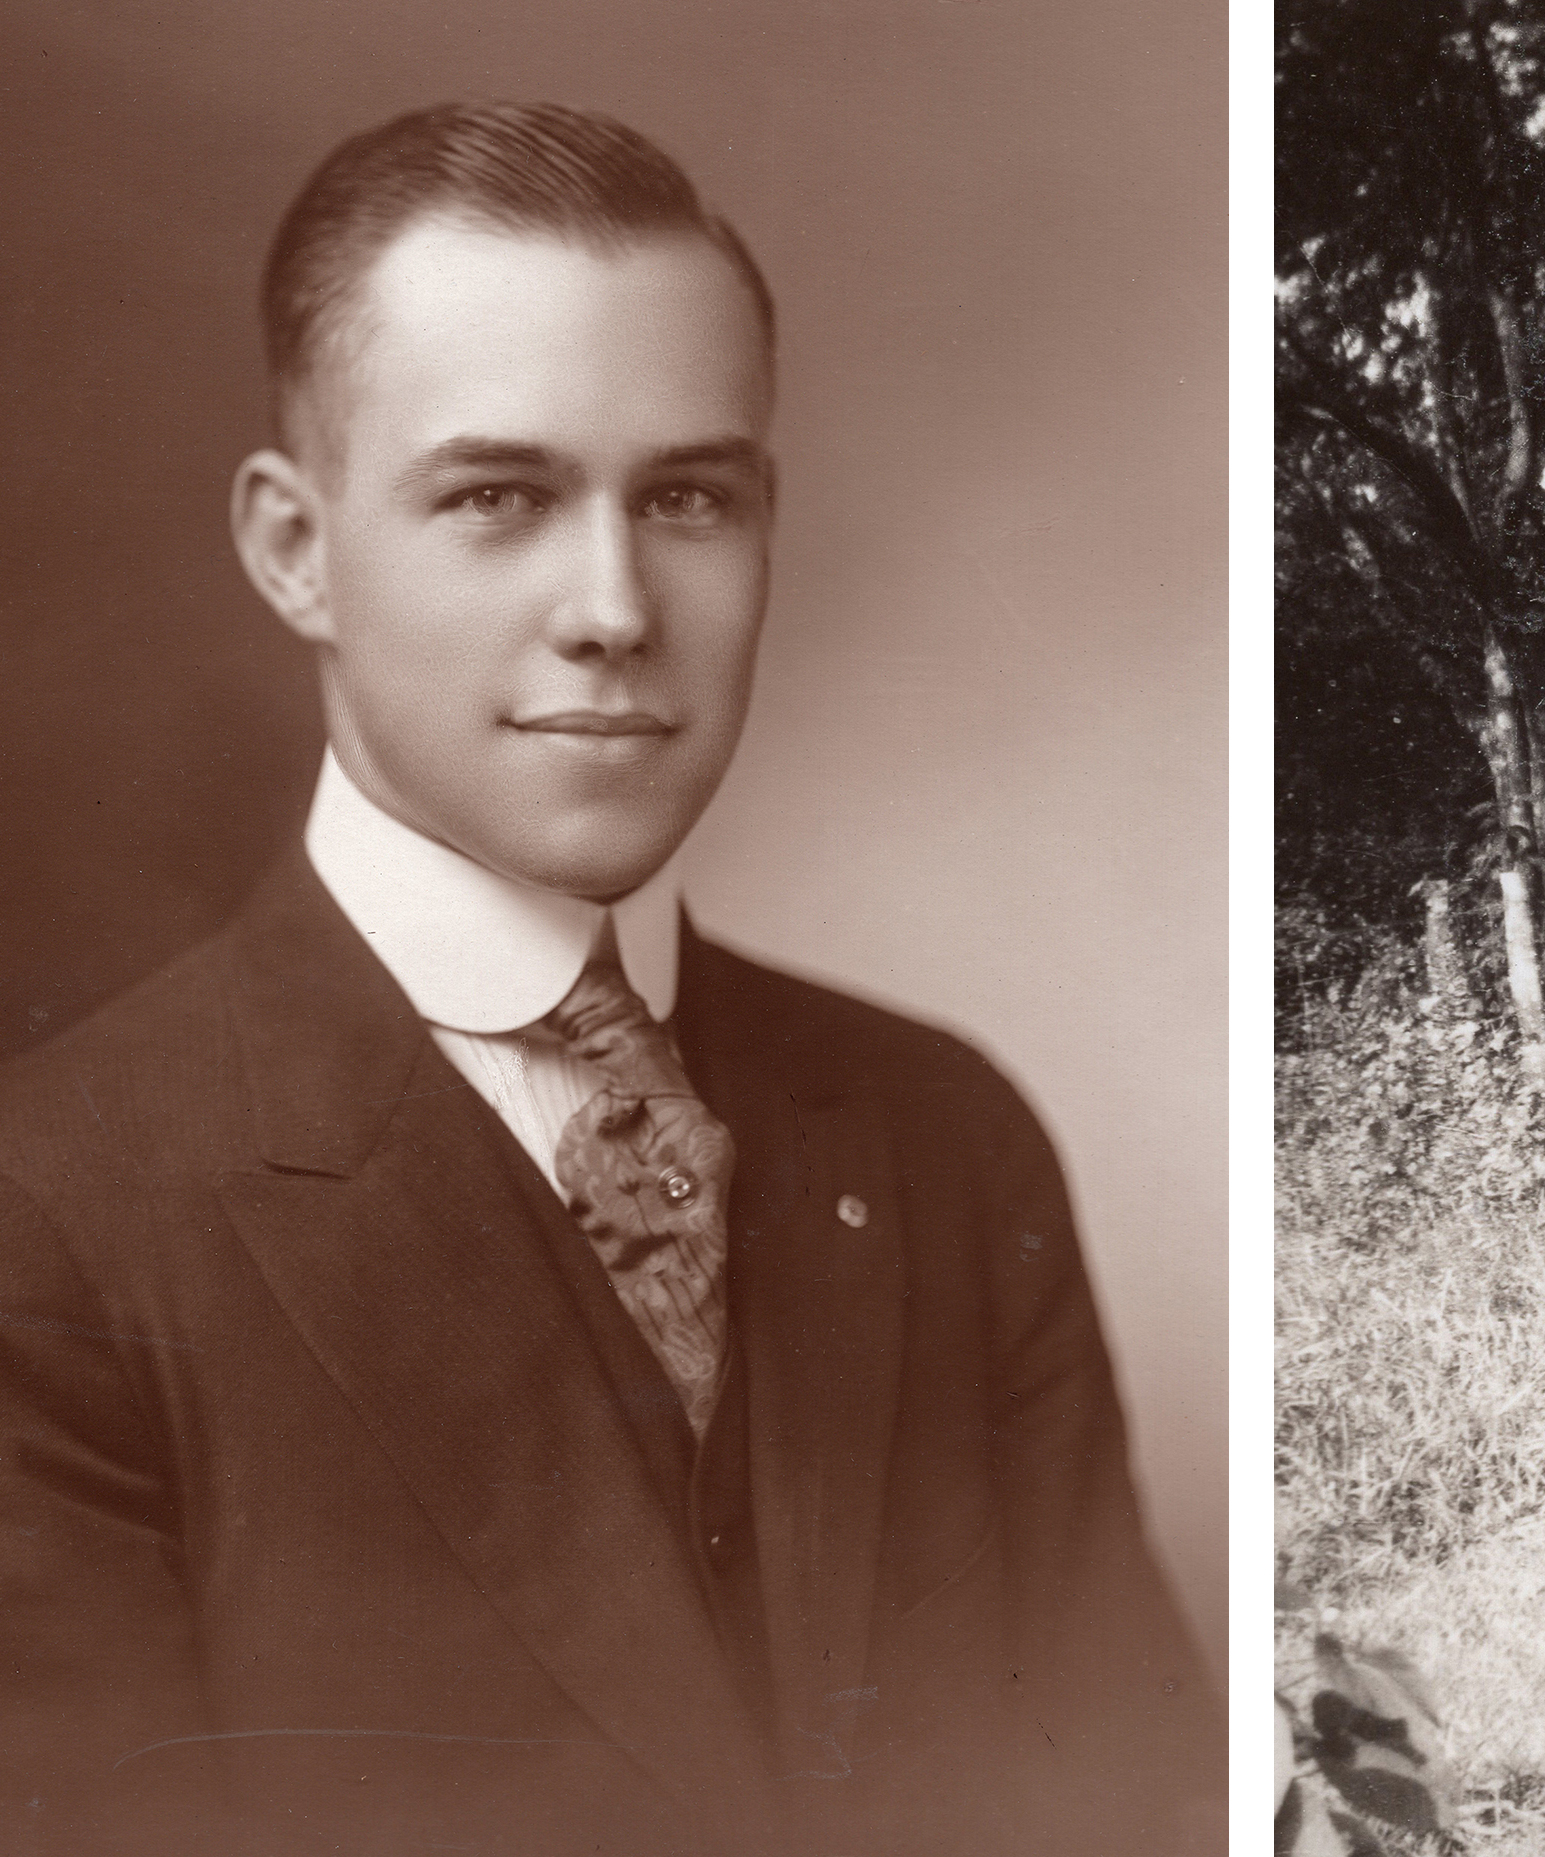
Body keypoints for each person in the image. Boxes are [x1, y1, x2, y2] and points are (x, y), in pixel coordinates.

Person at [0, 102, 1217, 1856]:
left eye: (688, 497)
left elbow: (1134, 1798)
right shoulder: (51, 1217)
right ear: (294, 549)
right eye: (496, 497)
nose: (616, 605)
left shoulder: (945, 1134)